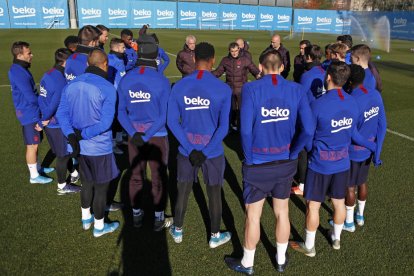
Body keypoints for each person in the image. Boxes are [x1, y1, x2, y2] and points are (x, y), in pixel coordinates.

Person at [224, 49, 315, 274]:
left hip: (258, 162)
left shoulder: (251, 88)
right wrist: (294, 152)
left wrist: (249, 157)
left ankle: (247, 263)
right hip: (285, 162)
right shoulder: (297, 89)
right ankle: (281, 260)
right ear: (283, 68)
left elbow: (245, 131)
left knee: (253, 216)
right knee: (282, 212)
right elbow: (310, 128)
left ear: (261, 68)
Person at [291, 61, 376, 257]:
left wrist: (305, 150)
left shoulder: (318, 104)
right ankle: (336, 238)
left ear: (328, 77)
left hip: (320, 163)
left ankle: (309, 246)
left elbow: (308, 133)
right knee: (338, 202)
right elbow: (353, 131)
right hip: (342, 162)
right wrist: (373, 146)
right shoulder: (352, 102)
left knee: (313, 205)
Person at [167, 42, 232, 248]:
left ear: (194, 59)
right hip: (212, 152)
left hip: (187, 151)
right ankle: (214, 235)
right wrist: (205, 151)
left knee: (183, 190)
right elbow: (224, 127)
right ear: (213, 60)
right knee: (214, 192)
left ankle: (177, 230)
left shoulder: (179, 86)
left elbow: (171, 121)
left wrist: (189, 148)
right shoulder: (223, 88)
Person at [57, 49, 120, 237]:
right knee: (101, 187)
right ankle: (99, 227)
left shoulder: (71, 84)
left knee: (87, 183)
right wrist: (82, 134)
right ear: (105, 65)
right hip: (98, 147)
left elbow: (61, 113)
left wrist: (72, 135)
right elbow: (105, 123)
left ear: (87, 65)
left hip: (78, 147)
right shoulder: (107, 87)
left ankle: (86, 219)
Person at [118, 34, 172, 231]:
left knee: (135, 175)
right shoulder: (162, 80)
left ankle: (137, 215)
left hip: (135, 136)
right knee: (158, 176)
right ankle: (158, 218)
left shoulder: (127, 78)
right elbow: (164, 115)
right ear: (156, 54)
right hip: (156, 135)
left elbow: (120, 113)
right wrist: (147, 135)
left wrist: (135, 134)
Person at [341, 64, 386, 232]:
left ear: (349, 80)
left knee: (350, 186)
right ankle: (360, 216)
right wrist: (376, 151)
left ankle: (349, 223)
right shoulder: (375, 94)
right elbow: (383, 125)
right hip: (368, 152)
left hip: (354, 152)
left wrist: (371, 146)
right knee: (362, 182)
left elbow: (353, 133)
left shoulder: (351, 100)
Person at [8, 41, 53, 184]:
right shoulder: (17, 71)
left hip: (31, 110)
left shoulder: (20, 68)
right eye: (29, 53)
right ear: (19, 55)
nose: (32, 55)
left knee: (36, 143)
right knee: (32, 144)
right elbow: (30, 96)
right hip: (28, 112)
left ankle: (38, 167)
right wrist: (44, 106)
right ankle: (34, 176)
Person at [38, 48, 81, 194]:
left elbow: (42, 97)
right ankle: (62, 186)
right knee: (63, 155)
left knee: (62, 152)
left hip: (50, 122)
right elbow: (55, 103)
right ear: (66, 62)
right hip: (55, 123)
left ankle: (74, 174)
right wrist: (44, 119)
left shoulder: (48, 74)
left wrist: (43, 117)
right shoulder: (60, 80)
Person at [291, 44, 325, 196]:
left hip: (309, 117)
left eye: (305, 55)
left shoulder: (307, 75)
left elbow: (299, 98)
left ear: (309, 57)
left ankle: (303, 184)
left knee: (304, 150)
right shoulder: (326, 72)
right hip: (323, 116)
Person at [212, 42, 260, 130]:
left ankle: (243, 127)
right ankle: (230, 126)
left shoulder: (245, 60)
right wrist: (207, 75)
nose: (234, 53)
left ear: (239, 50)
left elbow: (254, 70)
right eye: (232, 51)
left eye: (236, 51)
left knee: (242, 110)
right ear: (229, 51)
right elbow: (218, 72)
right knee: (230, 110)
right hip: (229, 90)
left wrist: (258, 75)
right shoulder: (225, 60)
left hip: (241, 90)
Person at [107, 38, 126, 156]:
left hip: (121, 94)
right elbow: (109, 80)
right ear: (117, 47)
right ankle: (112, 144)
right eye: (123, 47)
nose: (124, 49)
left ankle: (119, 139)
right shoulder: (110, 61)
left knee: (119, 117)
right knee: (113, 119)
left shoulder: (119, 58)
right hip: (114, 95)